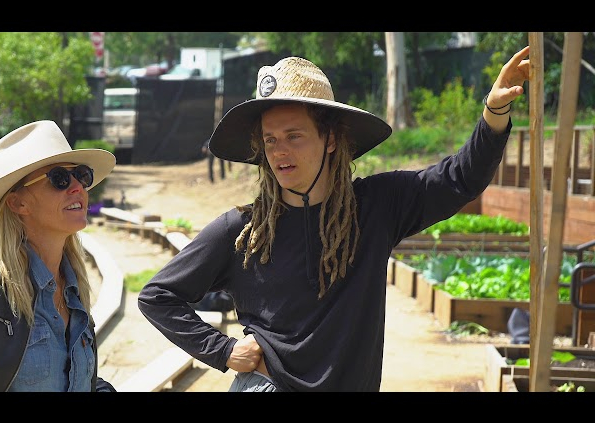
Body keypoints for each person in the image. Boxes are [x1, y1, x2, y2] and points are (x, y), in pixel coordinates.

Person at [138, 46, 531, 392]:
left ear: (329, 140)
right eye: (270, 140)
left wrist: (494, 112)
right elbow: (158, 296)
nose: (280, 152)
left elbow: (460, 178)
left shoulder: (377, 207)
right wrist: (224, 350)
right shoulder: (244, 231)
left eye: (294, 136)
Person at [0, 120, 117, 392]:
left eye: (81, 175)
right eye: (60, 178)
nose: (78, 187)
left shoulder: (75, 291)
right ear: (18, 203)